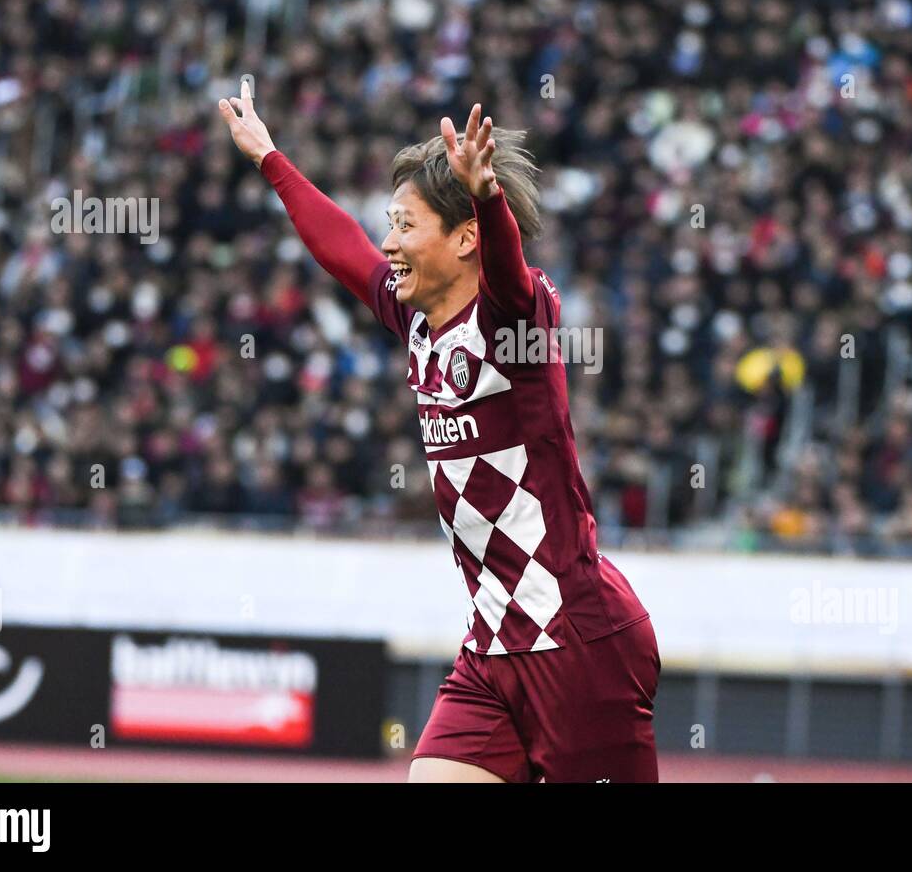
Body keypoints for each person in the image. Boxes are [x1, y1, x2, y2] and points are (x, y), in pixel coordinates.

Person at [220, 84, 661, 783]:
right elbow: (342, 248)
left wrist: (487, 196)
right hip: (492, 646)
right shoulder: (416, 319)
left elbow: (510, 280)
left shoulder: (514, 324)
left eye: (403, 224)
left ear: (464, 239)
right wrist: (271, 157)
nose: (388, 243)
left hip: (576, 643)